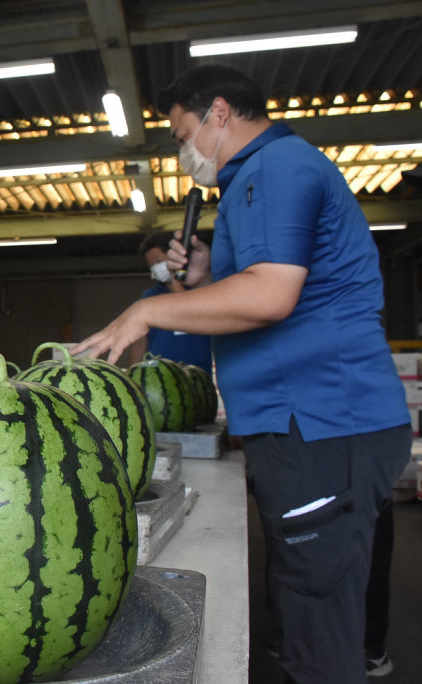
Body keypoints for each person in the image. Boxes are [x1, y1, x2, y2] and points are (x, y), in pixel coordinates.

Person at [71, 64, 410, 682]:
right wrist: (205, 274)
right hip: (308, 423)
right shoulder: (256, 180)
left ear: (219, 113)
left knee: (319, 624)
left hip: (322, 420)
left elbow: (270, 296)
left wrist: (148, 309)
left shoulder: (275, 168)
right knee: (307, 600)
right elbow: (266, 286)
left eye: (181, 134)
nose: (182, 152)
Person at [128, 231, 213, 373]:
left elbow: (189, 310)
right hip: (158, 375)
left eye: (158, 261)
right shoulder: (150, 297)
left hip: (199, 372)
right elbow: (139, 344)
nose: (155, 267)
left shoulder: (201, 288)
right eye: (151, 264)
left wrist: (176, 278)